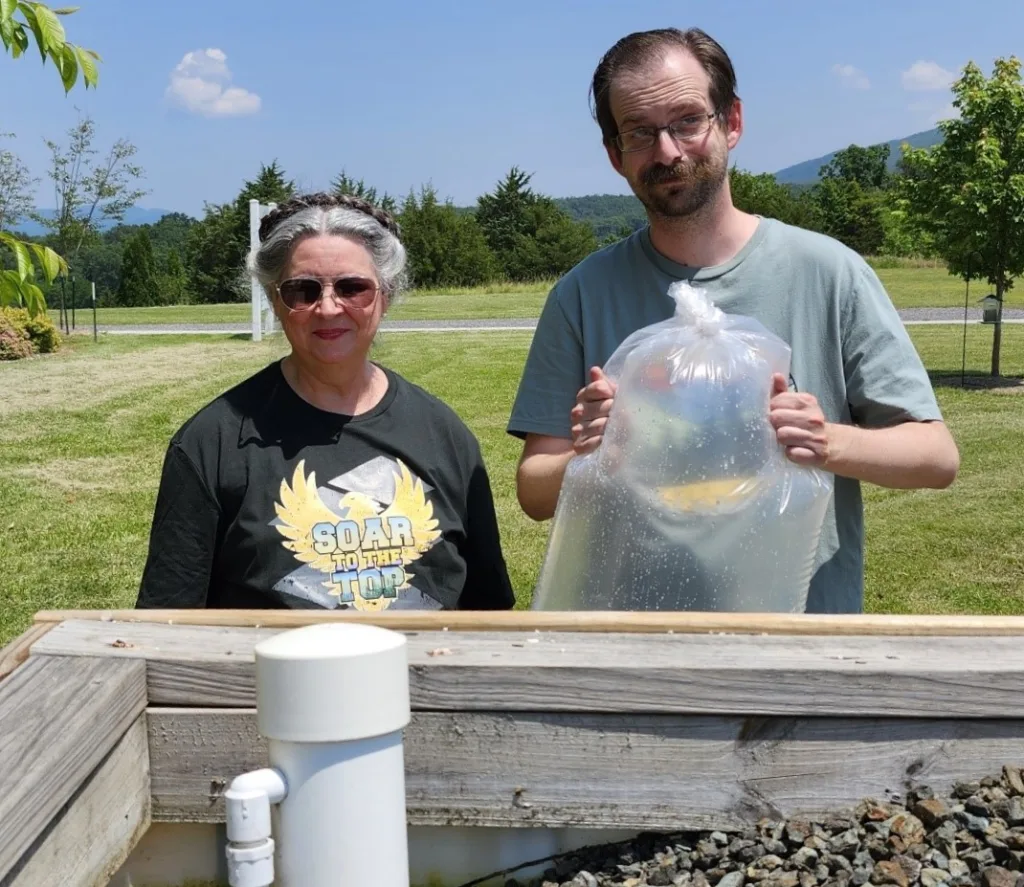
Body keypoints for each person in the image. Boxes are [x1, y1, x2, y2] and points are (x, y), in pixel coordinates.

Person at [507, 27, 960, 614]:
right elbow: (536, 491)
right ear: (615, 155)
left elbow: (936, 457)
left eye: (687, 120)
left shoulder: (828, 272)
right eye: (640, 132)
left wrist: (827, 442)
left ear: (732, 122)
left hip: (795, 642)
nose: (667, 151)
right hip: (634, 642)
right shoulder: (581, 294)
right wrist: (594, 452)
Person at [137, 192, 515, 612]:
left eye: (353, 287)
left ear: (385, 297)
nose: (329, 307)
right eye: (303, 291)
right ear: (275, 302)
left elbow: (487, 611)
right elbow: (168, 622)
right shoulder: (212, 444)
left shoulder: (444, 434)